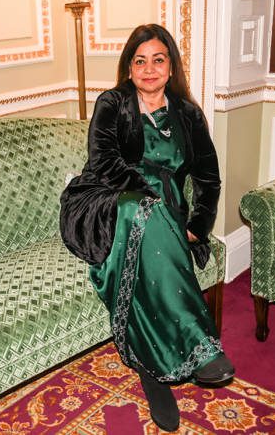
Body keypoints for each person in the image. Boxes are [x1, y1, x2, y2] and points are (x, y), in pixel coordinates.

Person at [59, 24, 234, 432]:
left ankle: (152, 372)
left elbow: (209, 178)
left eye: (158, 59)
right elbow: (104, 164)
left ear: (171, 67)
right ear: (129, 67)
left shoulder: (188, 114)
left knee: (153, 233)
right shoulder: (112, 103)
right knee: (146, 213)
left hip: (164, 213)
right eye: (140, 60)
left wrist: (197, 225)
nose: (149, 68)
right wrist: (154, 198)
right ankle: (201, 346)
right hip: (102, 202)